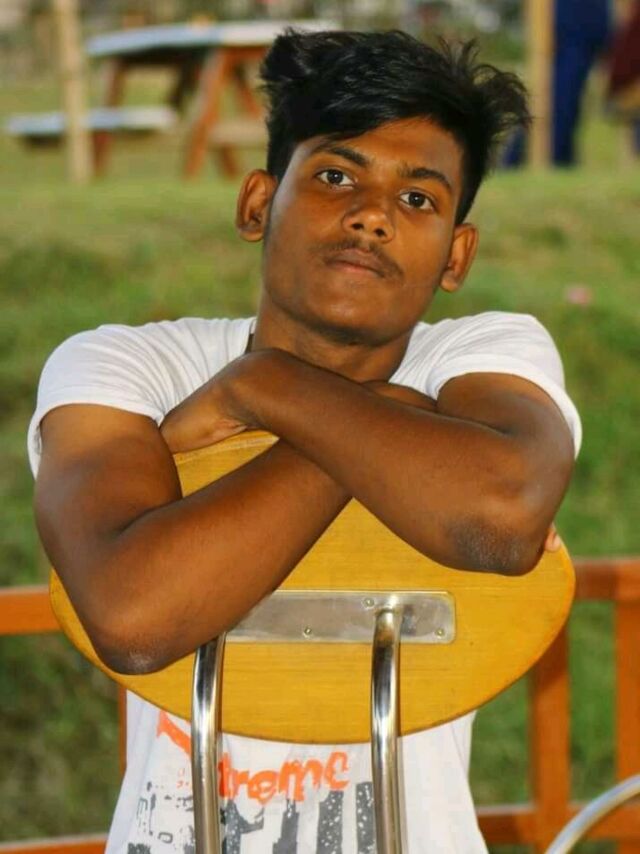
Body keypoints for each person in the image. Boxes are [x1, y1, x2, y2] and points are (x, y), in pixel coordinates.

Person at [29, 29, 581, 854]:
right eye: (335, 177)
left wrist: (261, 387)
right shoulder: (125, 367)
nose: (372, 216)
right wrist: (387, 420)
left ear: (456, 254)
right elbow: (134, 616)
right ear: (258, 203)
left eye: (418, 199)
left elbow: (498, 519)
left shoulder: (480, 355)